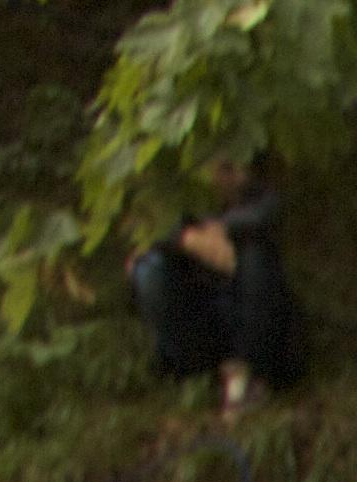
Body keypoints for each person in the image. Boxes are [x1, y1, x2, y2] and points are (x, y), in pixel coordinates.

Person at [129, 165, 301, 410]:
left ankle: (250, 377)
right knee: (148, 268)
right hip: (198, 320)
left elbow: (266, 214)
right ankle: (194, 376)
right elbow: (148, 234)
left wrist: (219, 231)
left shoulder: (259, 196)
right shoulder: (176, 201)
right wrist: (186, 238)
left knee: (254, 255)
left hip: (253, 325)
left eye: (229, 168)